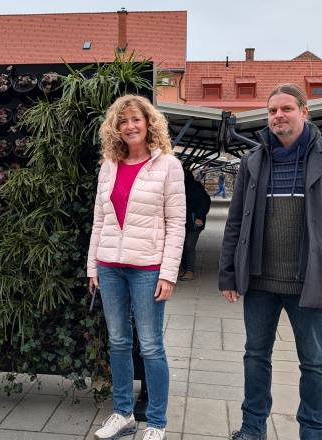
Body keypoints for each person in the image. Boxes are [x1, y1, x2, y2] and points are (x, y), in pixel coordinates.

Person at [219, 83, 322, 440]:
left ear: (304, 112)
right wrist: (228, 274)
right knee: (255, 356)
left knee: (313, 361)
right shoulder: (253, 161)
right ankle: (252, 428)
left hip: (308, 280)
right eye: (272, 111)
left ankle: (312, 432)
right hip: (259, 281)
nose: (278, 116)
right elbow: (236, 221)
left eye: (286, 109)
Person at [87, 94, 185, 440]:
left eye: (136, 119)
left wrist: (168, 273)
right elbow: (99, 219)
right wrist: (93, 266)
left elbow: (176, 223)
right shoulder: (109, 166)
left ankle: (156, 422)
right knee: (117, 342)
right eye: (123, 121)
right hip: (110, 266)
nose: (129, 126)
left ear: (149, 123)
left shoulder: (168, 166)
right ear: (115, 128)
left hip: (147, 268)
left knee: (151, 345)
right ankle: (123, 414)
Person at [179, 169, 211, 281]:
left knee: (189, 245)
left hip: (194, 222)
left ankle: (190, 271)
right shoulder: (179, 186)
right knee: (182, 245)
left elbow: (205, 201)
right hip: (183, 221)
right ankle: (184, 269)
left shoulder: (194, 187)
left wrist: (200, 217)